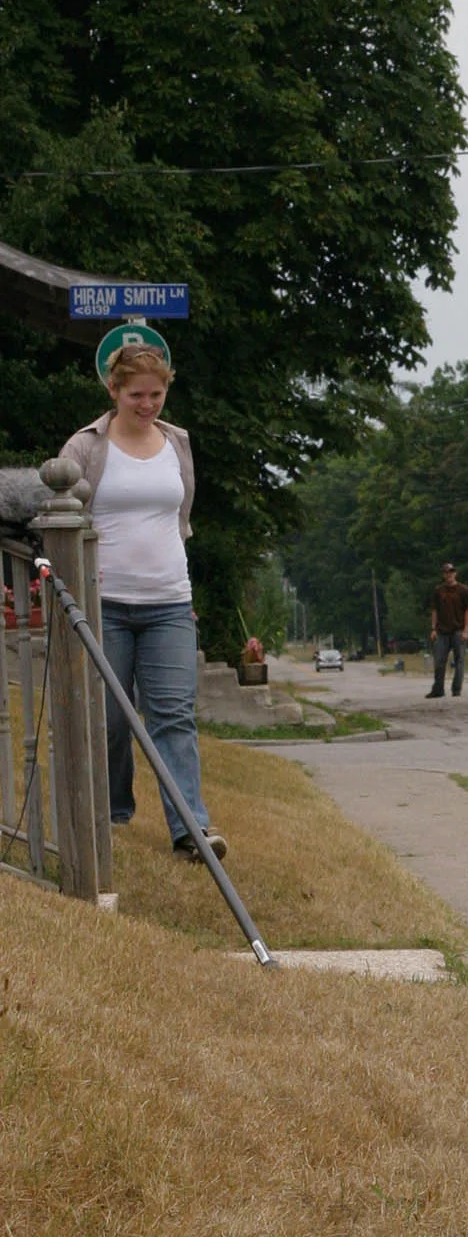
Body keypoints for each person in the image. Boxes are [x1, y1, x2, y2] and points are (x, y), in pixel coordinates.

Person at [61, 343, 225, 858]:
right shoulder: (86, 447)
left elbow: (180, 517)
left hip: (170, 602)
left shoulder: (177, 442)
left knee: (173, 716)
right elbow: (61, 515)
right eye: (137, 395)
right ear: (113, 390)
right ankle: (114, 809)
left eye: (156, 394)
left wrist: (179, 584)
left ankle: (191, 830)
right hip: (105, 602)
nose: (148, 404)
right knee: (111, 717)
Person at [427, 561, 468, 697]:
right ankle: (438, 689)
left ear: (455, 573)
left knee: (459, 660)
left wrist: (466, 630)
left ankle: (456, 689)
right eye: (446, 572)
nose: (449, 575)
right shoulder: (438, 590)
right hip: (442, 631)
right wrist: (433, 629)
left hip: (458, 629)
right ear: (443, 575)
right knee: (439, 661)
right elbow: (434, 610)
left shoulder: (463, 590)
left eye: (451, 572)